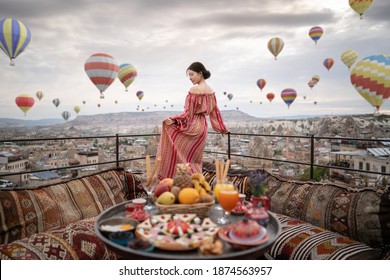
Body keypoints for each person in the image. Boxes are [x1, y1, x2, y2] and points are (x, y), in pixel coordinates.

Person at [156, 62, 228, 180]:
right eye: (189, 75)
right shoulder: (211, 92)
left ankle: (176, 181)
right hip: (202, 129)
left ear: (200, 73)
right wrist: (222, 128)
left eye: (191, 74)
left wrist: (174, 120)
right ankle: (196, 183)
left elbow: (188, 114)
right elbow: (215, 113)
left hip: (192, 126)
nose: (190, 78)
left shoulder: (194, 90)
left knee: (177, 154)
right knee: (194, 160)